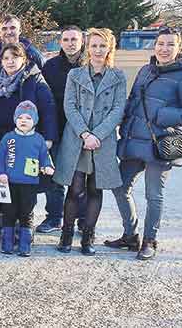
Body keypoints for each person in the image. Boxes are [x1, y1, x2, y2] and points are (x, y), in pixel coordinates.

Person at [106, 27, 182, 260]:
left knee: (153, 194)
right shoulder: (146, 70)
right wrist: (121, 122)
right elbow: (133, 100)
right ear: (154, 45)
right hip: (135, 140)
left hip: (161, 143)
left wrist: (162, 116)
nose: (164, 49)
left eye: (170, 44)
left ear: (179, 48)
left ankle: (150, 240)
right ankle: (130, 235)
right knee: (119, 187)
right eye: (161, 43)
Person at [54, 28, 127, 255]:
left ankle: (88, 236)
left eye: (102, 46)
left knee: (96, 190)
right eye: (94, 45)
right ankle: (66, 234)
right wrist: (85, 134)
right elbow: (70, 106)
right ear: (88, 47)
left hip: (102, 142)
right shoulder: (75, 75)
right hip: (77, 139)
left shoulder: (118, 76)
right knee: (75, 189)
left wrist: (97, 135)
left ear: (109, 49)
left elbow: (117, 109)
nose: (97, 50)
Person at [0, 42, 57, 240]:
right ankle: (4, 221)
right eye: (6, 58)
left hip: (24, 140)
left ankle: (22, 223)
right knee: (0, 179)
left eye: (15, 57)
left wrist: (48, 138)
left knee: (21, 184)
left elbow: (48, 108)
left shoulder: (34, 79)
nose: (10, 61)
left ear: (24, 59)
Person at [35, 25, 85, 234]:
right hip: (56, 128)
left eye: (74, 39)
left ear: (81, 41)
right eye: (66, 39)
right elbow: (43, 100)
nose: (70, 43)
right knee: (54, 176)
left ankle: (81, 219)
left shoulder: (90, 65)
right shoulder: (51, 66)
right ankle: (54, 217)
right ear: (61, 42)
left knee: (79, 177)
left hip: (82, 130)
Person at [0, 101, 55, 257]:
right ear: (15, 119)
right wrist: (1, 172)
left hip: (29, 184)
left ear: (34, 121)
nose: (23, 120)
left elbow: (45, 157)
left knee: (26, 213)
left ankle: (25, 243)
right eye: (20, 117)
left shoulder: (39, 139)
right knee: (9, 212)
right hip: (9, 183)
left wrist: (47, 167)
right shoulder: (9, 138)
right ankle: (7, 242)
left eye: (28, 118)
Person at [0, 14, 45, 89]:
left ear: (20, 31)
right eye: (4, 29)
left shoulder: (33, 54)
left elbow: (45, 83)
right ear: (0, 33)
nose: (8, 32)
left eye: (12, 28)